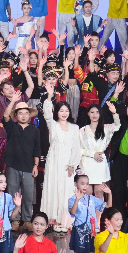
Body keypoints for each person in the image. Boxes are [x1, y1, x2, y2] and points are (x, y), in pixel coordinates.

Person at [39, 84, 82, 232]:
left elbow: (76, 148)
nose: (64, 113)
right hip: (54, 161)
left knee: (67, 189)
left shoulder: (75, 128)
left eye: (66, 110)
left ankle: (65, 220)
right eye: (61, 110)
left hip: (67, 162)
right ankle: (53, 220)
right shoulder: (53, 125)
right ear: (56, 112)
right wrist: (50, 96)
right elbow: (46, 112)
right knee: (53, 187)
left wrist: (72, 164)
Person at [1, 100, 41, 231]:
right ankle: (15, 219)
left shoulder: (35, 131)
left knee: (28, 195)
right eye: (20, 113)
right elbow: (5, 116)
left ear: (29, 115)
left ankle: (27, 220)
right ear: (16, 115)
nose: (23, 116)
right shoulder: (12, 127)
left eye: (26, 113)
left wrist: (36, 165)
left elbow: (37, 150)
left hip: (29, 166)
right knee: (13, 193)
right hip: (13, 165)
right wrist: (13, 100)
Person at [68, 174, 111, 253]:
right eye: (82, 183)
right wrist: (77, 199)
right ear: (76, 184)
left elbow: (108, 206)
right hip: (79, 229)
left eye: (87, 183)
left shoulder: (91, 199)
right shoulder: (72, 199)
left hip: (90, 230)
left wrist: (109, 193)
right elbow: (72, 213)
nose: (85, 186)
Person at [78, 103, 121, 195]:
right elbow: (79, 149)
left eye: (97, 112)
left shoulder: (106, 128)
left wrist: (114, 113)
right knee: (87, 192)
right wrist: (92, 154)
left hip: (100, 162)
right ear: (88, 114)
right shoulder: (82, 130)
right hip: (86, 162)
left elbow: (117, 126)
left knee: (99, 192)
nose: (94, 115)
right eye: (92, 112)